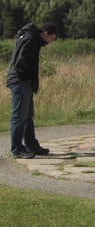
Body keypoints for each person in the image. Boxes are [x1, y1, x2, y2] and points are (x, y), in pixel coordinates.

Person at [5, 22, 57, 159]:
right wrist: (26, 79)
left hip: (22, 81)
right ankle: (17, 149)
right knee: (19, 117)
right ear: (45, 33)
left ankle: (31, 145)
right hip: (20, 81)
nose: (49, 43)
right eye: (51, 39)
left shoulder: (29, 37)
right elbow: (20, 61)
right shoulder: (31, 39)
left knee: (27, 117)